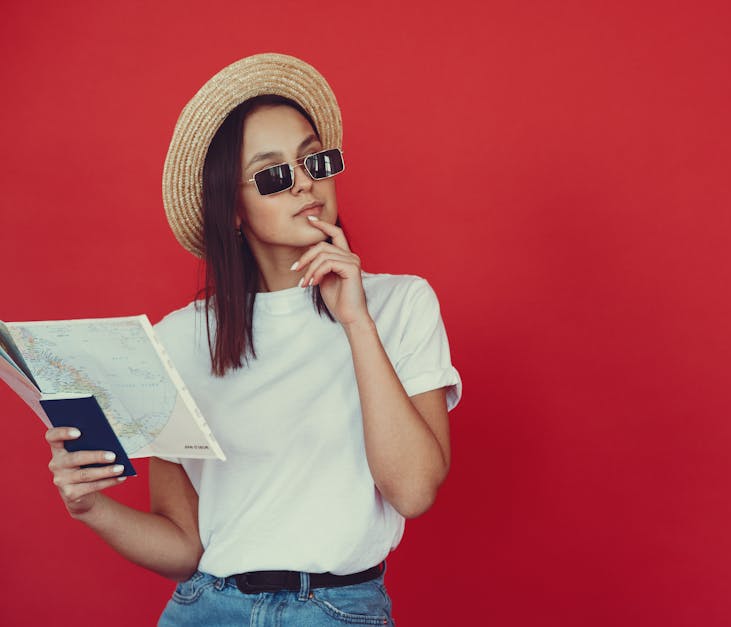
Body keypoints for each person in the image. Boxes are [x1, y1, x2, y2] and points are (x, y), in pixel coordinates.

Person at [43, 53, 461, 626]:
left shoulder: (401, 304)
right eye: (273, 175)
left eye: (314, 159)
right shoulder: (179, 340)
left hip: (335, 610)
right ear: (234, 210)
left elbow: (412, 491)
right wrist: (90, 507)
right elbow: (183, 546)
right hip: (206, 609)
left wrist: (357, 323)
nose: (305, 182)